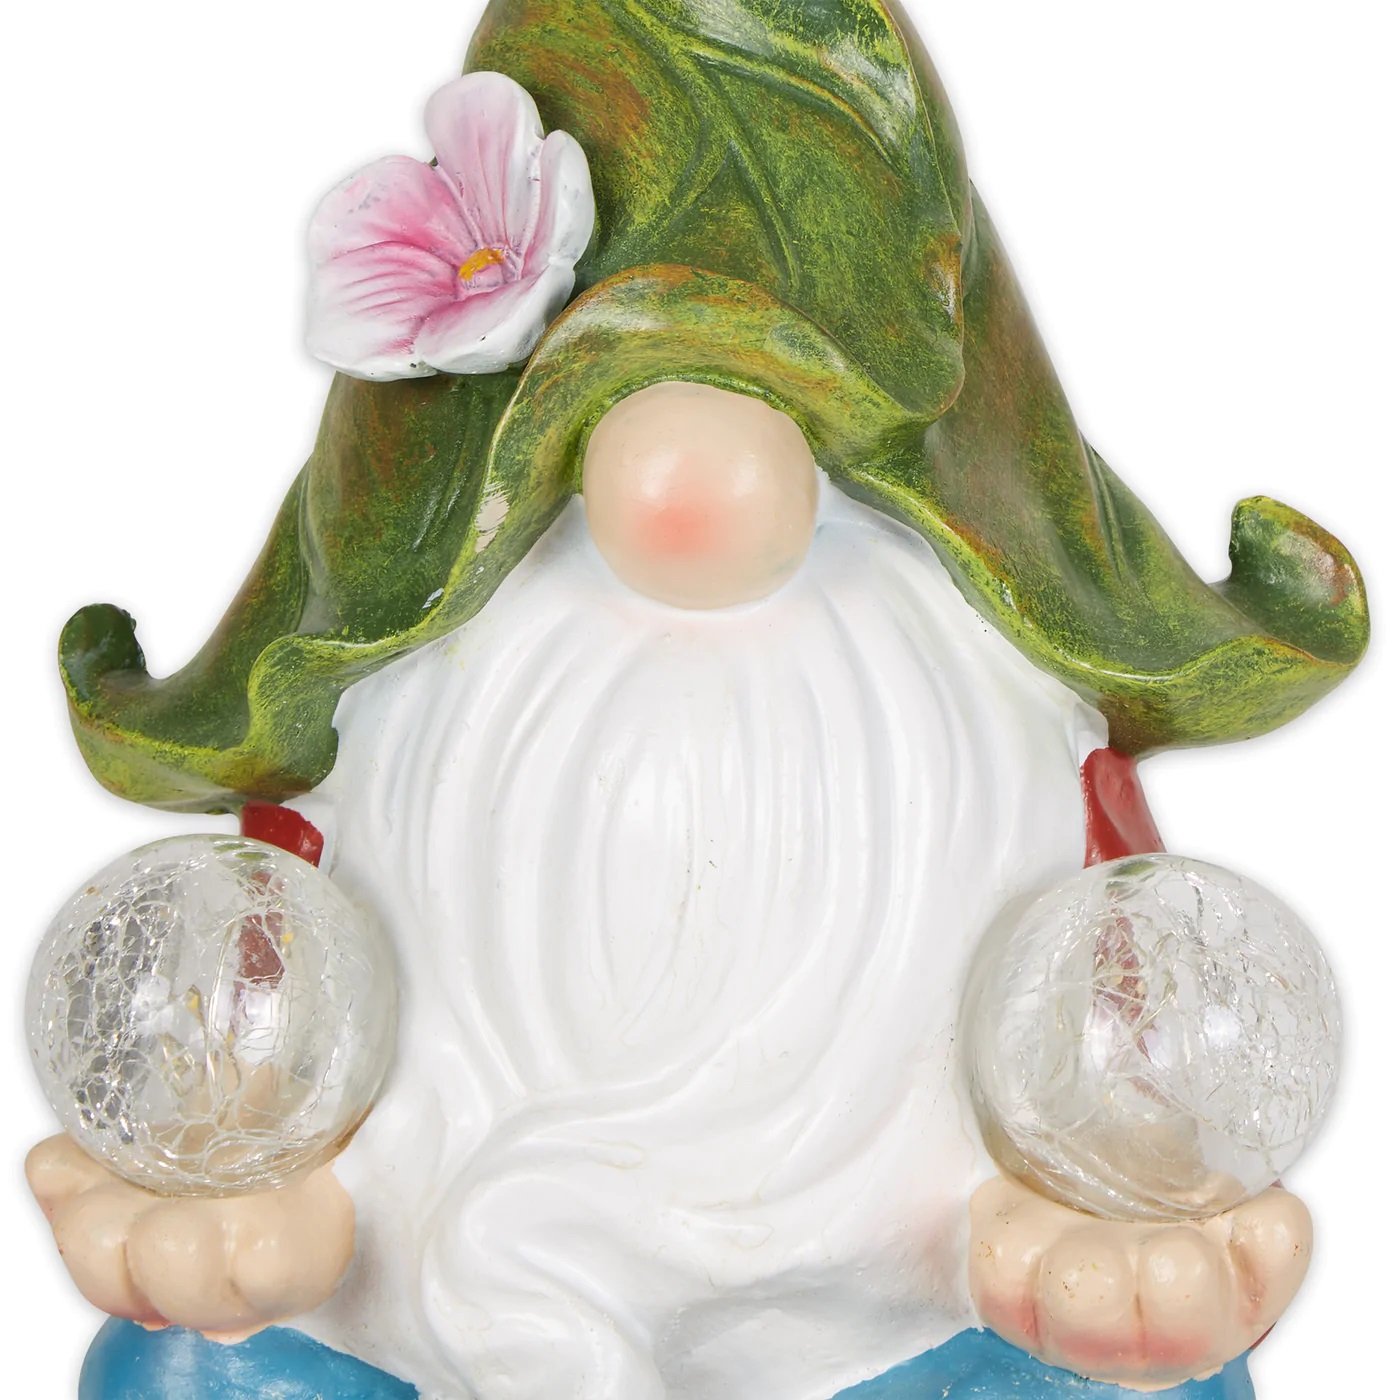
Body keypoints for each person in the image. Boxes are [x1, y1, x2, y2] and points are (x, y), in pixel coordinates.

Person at [31, 3, 1364, 1397]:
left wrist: (1121, 1205)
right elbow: (256, 1001)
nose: (691, 495)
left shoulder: (1008, 749)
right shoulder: (384, 741)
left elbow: (1134, 1027)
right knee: (188, 1371)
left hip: (898, 1335)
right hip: (418, 1321)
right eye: (597, 402)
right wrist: (255, 1184)